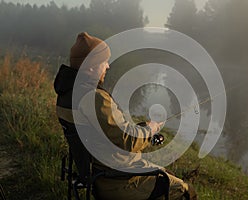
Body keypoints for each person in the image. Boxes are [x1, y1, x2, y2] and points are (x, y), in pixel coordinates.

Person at [54, 32, 197, 200]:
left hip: (100, 171)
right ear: (90, 66)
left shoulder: (66, 94)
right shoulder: (93, 98)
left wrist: (143, 128)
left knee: (167, 173)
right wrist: (151, 129)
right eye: (103, 62)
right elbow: (127, 140)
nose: (107, 66)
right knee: (186, 191)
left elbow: (109, 133)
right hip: (118, 181)